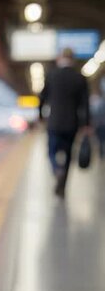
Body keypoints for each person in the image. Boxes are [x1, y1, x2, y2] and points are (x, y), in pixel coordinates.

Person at [39, 48, 90, 197]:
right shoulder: (79, 78)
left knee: (51, 151)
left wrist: (40, 115)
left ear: (59, 58)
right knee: (68, 154)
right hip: (71, 123)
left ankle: (57, 170)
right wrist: (86, 124)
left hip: (54, 122)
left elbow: (42, 98)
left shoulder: (52, 75)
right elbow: (84, 104)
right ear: (73, 59)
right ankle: (62, 187)